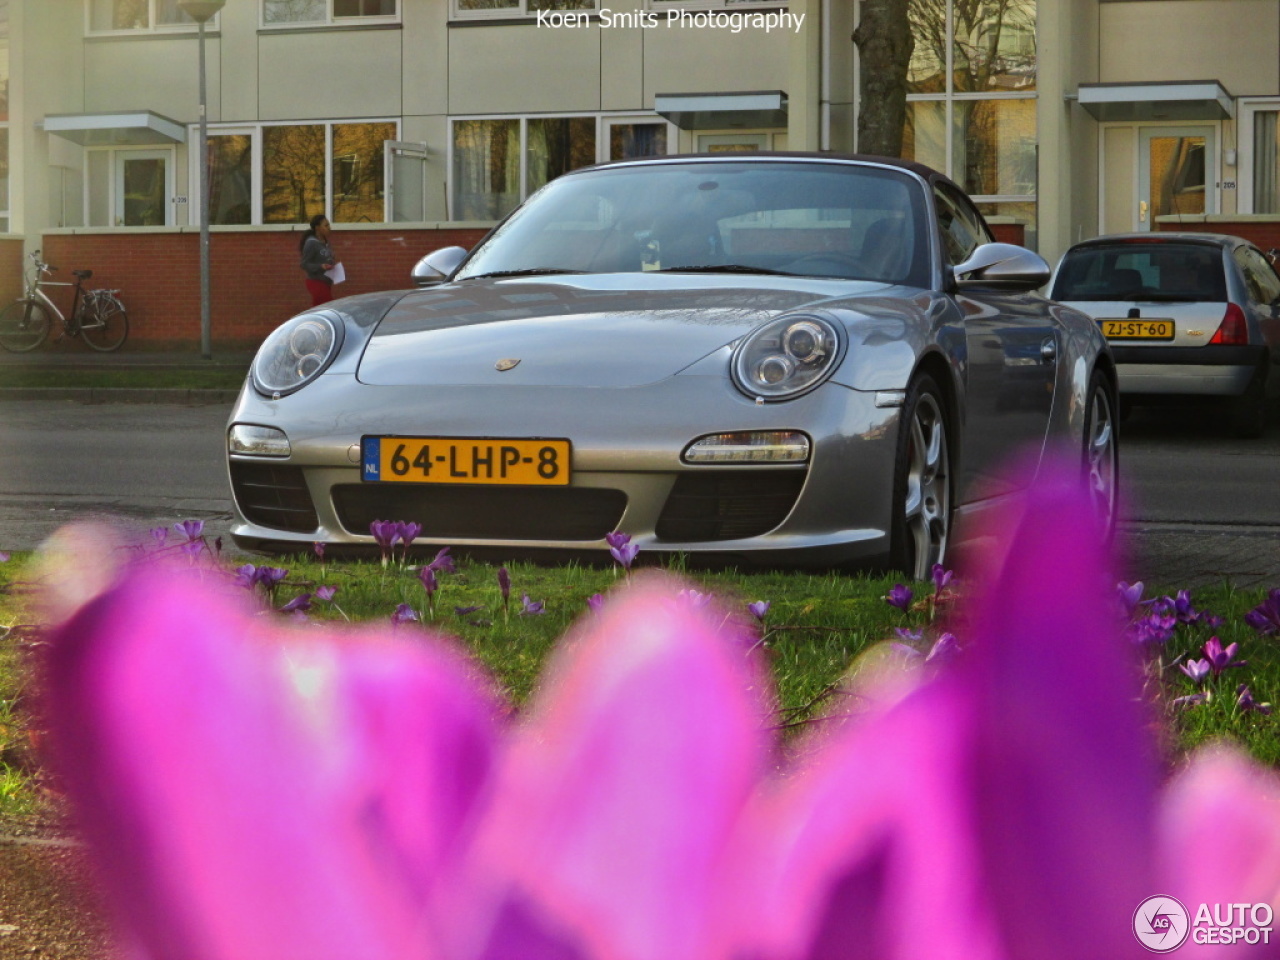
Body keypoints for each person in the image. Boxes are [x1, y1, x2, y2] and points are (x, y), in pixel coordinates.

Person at [299, 214, 339, 306]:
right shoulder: (311, 243)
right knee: (328, 306)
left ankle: (312, 320)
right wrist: (320, 266)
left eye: (329, 225)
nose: (329, 228)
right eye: (326, 225)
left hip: (326, 282)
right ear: (317, 228)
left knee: (319, 308)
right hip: (316, 281)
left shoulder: (326, 242)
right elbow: (304, 264)